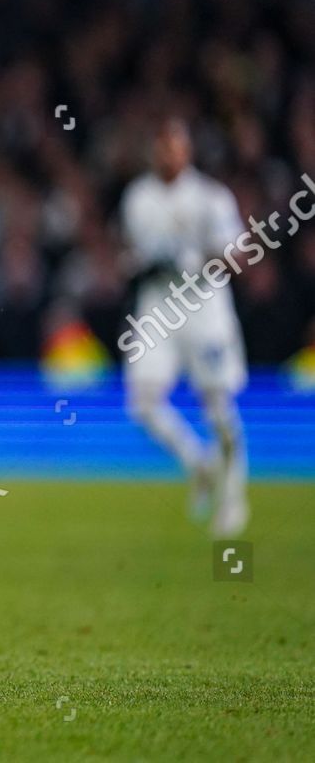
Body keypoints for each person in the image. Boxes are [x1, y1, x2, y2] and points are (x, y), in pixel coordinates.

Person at [120, 118, 250, 537]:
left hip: (203, 308)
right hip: (158, 306)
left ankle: (233, 497)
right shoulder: (138, 197)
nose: (166, 155)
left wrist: (198, 259)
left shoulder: (211, 198)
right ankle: (200, 464)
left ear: (187, 150)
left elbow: (239, 256)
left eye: (173, 146)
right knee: (142, 403)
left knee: (217, 405)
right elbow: (131, 251)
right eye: (160, 147)